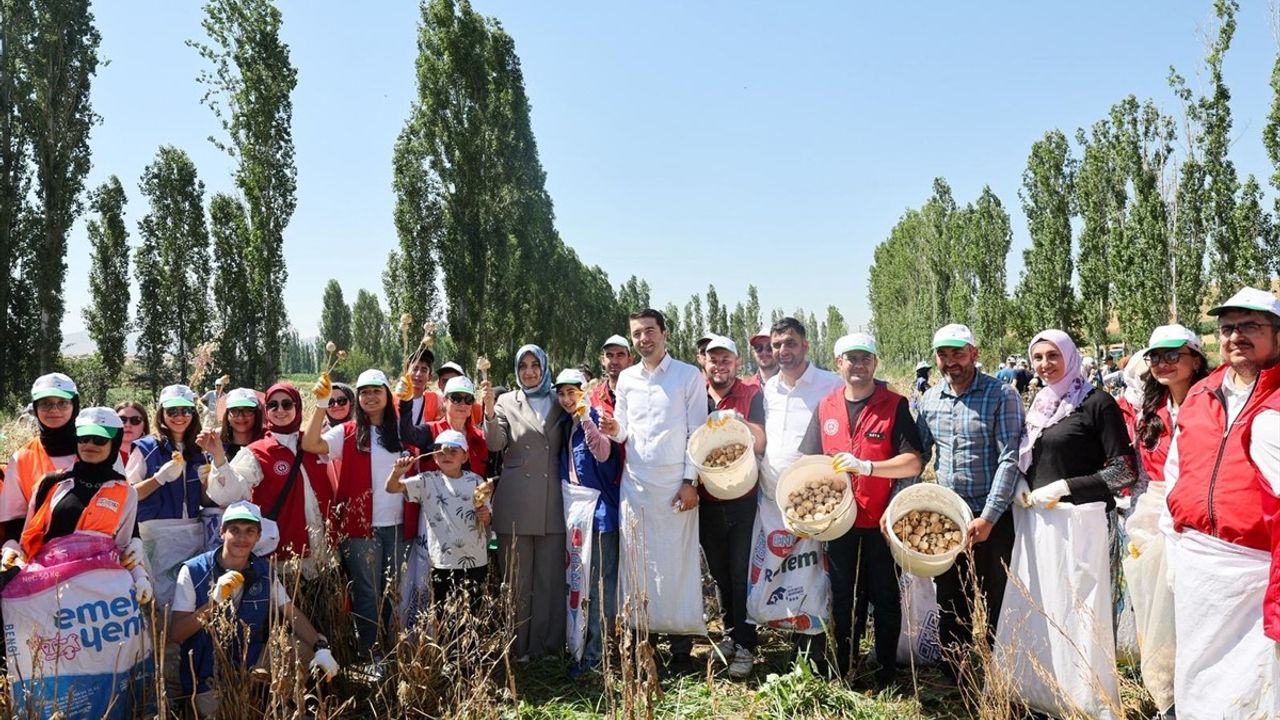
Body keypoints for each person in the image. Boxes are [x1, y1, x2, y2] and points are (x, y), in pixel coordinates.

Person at [998, 329, 1136, 710]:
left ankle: (1085, 700)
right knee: (1045, 607)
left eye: (1053, 356)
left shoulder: (1097, 403)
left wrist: (1065, 486)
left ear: (1070, 357)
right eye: (1038, 357)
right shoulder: (1040, 404)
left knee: (1080, 612)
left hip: (1082, 525)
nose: (1044, 365)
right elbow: (1032, 457)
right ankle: (1042, 694)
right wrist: (1022, 482)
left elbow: (1124, 472)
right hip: (1040, 524)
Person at [1164, 287, 1280, 714]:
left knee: (1254, 683)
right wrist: (1172, 541)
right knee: (1197, 670)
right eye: (1228, 328)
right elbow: (1177, 471)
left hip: (1256, 567)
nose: (1236, 336)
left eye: (1250, 326)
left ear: (1277, 335)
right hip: (1199, 564)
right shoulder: (1200, 395)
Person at [799, 333, 923, 687]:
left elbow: (912, 462)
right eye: (851, 358)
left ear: (875, 363)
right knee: (845, 599)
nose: (858, 365)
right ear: (838, 363)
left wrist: (867, 467)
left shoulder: (894, 404)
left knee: (885, 598)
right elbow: (810, 461)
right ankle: (846, 666)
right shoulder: (826, 407)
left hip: (881, 520)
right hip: (838, 524)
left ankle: (886, 671)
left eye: (865, 358)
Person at [915, 324, 1023, 681]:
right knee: (950, 594)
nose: (950, 362)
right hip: (946, 518)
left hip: (992, 516)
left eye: (958, 353)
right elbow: (919, 455)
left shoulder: (1000, 395)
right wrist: (907, 503)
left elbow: (1009, 459)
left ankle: (1001, 671)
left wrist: (989, 517)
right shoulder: (929, 400)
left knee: (996, 595)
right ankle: (956, 670)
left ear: (974, 353)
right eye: (943, 355)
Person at [602, 309, 708, 671]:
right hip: (636, 485)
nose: (644, 338)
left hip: (675, 485)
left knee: (677, 564)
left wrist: (690, 481)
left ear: (664, 333)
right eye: (637, 333)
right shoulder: (627, 379)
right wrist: (613, 427)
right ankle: (642, 641)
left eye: (650, 331)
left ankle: (681, 649)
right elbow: (623, 432)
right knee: (640, 563)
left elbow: (698, 432)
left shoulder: (688, 376)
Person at [170, 500, 338, 717]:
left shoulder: (264, 570)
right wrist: (213, 603)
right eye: (234, 530)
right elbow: (176, 633)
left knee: (302, 646)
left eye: (250, 531)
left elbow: (290, 611)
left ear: (258, 536)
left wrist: (320, 646)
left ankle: (278, 706)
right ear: (222, 532)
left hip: (251, 665)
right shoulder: (193, 571)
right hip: (208, 675)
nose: (242, 538)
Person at [303, 369, 414, 656]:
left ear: (388, 395)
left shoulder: (402, 431)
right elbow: (311, 444)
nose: (370, 396)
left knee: (394, 591)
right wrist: (321, 404)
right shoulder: (348, 432)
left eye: (377, 390)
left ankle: (393, 649)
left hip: (399, 524)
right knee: (366, 592)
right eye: (364, 391)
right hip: (361, 527)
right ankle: (371, 651)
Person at [754, 317, 843, 661]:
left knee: (815, 572)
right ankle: (793, 641)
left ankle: (817, 651)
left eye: (790, 343)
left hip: (816, 499)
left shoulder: (829, 384)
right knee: (784, 572)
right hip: (774, 498)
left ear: (805, 345)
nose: (783, 351)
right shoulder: (769, 388)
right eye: (777, 345)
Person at [3, 407, 153, 604]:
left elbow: (124, 547)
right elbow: (30, 536)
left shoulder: (125, 492)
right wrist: (12, 550)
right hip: (50, 588)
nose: (90, 444)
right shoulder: (50, 483)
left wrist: (140, 576)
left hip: (100, 593)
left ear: (114, 442)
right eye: (83, 438)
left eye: (99, 440)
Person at [483, 344, 567, 660]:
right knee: (516, 579)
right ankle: (518, 647)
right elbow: (495, 443)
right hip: (515, 501)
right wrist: (489, 412)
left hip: (552, 502)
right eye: (523, 366)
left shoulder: (561, 400)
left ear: (545, 367)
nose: (529, 371)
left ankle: (547, 647)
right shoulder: (506, 401)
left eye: (535, 364)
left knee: (549, 578)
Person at [205, 383, 335, 570]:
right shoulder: (257, 452)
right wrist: (218, 458)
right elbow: (228, 495)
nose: (280, 410)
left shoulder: (314, 444)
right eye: (273, 405)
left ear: (297, 407)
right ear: (266, 410)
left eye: (287, 404)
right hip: (285, 560)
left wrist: (323, 401)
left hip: (327, 556)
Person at [699, 335, 766, 678]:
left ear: (737, 363)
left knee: (741, 574)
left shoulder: (752, 394)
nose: (719, 365)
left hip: (742, 500)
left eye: (726, 360)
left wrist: (740, 422)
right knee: (719, 573)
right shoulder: (696, 396)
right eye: (713, 360)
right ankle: (729, 633)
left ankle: (746, 645)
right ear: (704, 363)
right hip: (707, 501)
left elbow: (762, 439)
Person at [552, 368, 622, 676]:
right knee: (580, 585)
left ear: (585, 391)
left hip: (600, 517)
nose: (568, 399)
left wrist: (586, 418)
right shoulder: (566, 425)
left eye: (573, 392)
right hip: (577, 516)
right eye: (562, 393)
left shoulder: (594, 417)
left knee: (599, 589)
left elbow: (604, 454)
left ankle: (596, 656)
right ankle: (580, 647)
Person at [387, 429, 491, 617]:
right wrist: (397, 473)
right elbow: (392, 488)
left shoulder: (476, 480)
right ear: (434, 457)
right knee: (444, 619)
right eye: (440, 452)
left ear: (465, 456)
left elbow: (487, 517)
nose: (446, 455)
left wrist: (485, 516)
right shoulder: (426, 481)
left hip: (475, 560)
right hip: (442, 563)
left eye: (453, 451)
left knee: (473, 617)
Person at [1119, 325, 1209, 484]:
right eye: (1154, 357)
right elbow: (1143, 477)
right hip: (1156, 502)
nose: (1161, 364)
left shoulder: (1215, 408)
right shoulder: (1150, 413)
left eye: (1172, 355)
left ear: (1196, 361)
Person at [1, 374, 82, 550]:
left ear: (74, 406)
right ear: (36, 408)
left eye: (62, 402)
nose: (54, 409)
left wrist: (134, 538)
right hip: (40, 559)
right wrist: (11, 546)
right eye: (46, 403)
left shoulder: (100, 449)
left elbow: (121, 501)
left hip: (95, 556)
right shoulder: (21, 458)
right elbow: (15, 520)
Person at [215, 388, 265, 463]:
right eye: (234, 410)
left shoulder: (266, 447)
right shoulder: (216, 446)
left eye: (247, 410)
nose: (241, 417)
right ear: (227, 415)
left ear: (257, 414)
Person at [591, 335, 633, 415]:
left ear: (629, 360)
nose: (614, 361)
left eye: (620, 355)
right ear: (603, 360)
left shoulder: (639, 392)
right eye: (609, 355)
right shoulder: (593, 396)